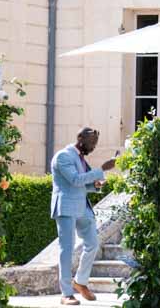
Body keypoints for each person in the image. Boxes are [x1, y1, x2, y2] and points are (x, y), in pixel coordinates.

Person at [49, 127, 115, 305]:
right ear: (80, 140)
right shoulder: (63, 156)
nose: (93, 147)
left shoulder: (80, 158)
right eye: (91, 143)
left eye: (95, 144)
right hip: (66, 207)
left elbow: (84, 183)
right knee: (67, 249)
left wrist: (96, 185)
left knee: (92, 243)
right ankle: (66, 294)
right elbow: (75, 180)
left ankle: (80, 281)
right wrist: (102, 168)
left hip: (82, 207)